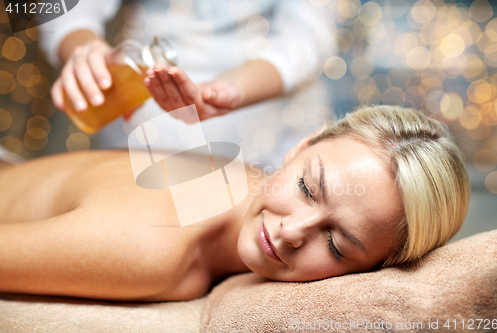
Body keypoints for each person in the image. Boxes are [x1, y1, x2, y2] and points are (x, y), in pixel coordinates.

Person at [0, 106, 470, 301]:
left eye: (335, 243)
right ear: (302, 144)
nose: (291, 232)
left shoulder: (236, 178)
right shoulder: (150, 247)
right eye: (308, 188)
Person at [39, 0, 333, 167]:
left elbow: (308, 34)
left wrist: (232, 89)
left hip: (262, 128)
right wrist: (82, 45)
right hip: (138, 124)